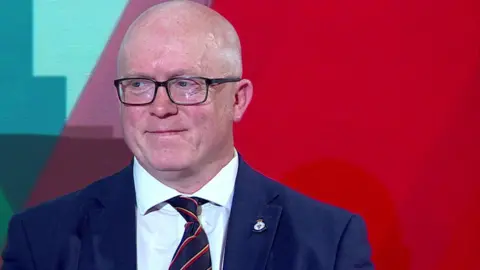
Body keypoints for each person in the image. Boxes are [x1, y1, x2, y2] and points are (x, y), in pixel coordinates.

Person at [1, 0, 374, 269]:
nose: (160, 107)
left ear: (238, 100)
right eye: (138, 84)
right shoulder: (41, 240)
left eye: (186, 84)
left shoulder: (328, 244)